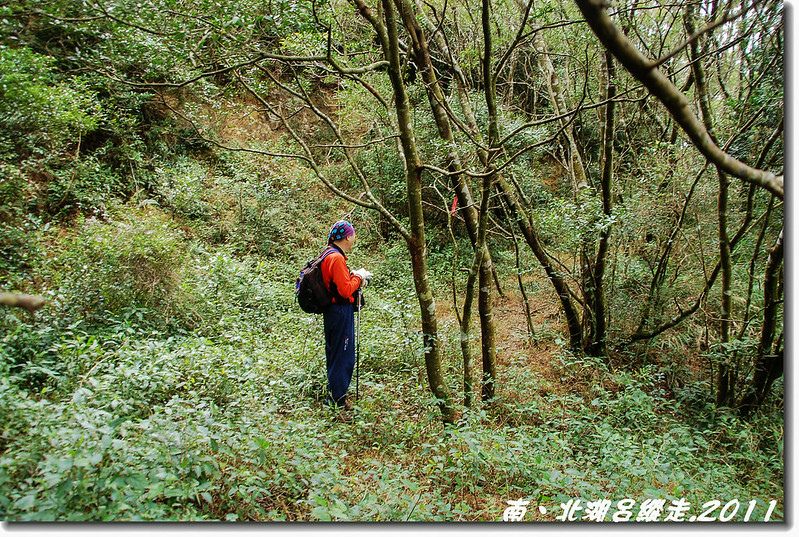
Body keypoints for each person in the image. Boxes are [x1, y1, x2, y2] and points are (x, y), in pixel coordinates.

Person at [320, 220, 372, 421]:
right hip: (340, 312)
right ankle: (336, 405)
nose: (354, 238)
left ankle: (336, 398)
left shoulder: (329, 254)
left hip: (333, 311)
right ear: (348, 237)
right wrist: (359, 278)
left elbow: (338, 283)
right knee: (343, 357)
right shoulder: (336, 258)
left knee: (336, 355)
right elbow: (344, 290)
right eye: (353, 234)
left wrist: (352, 276)